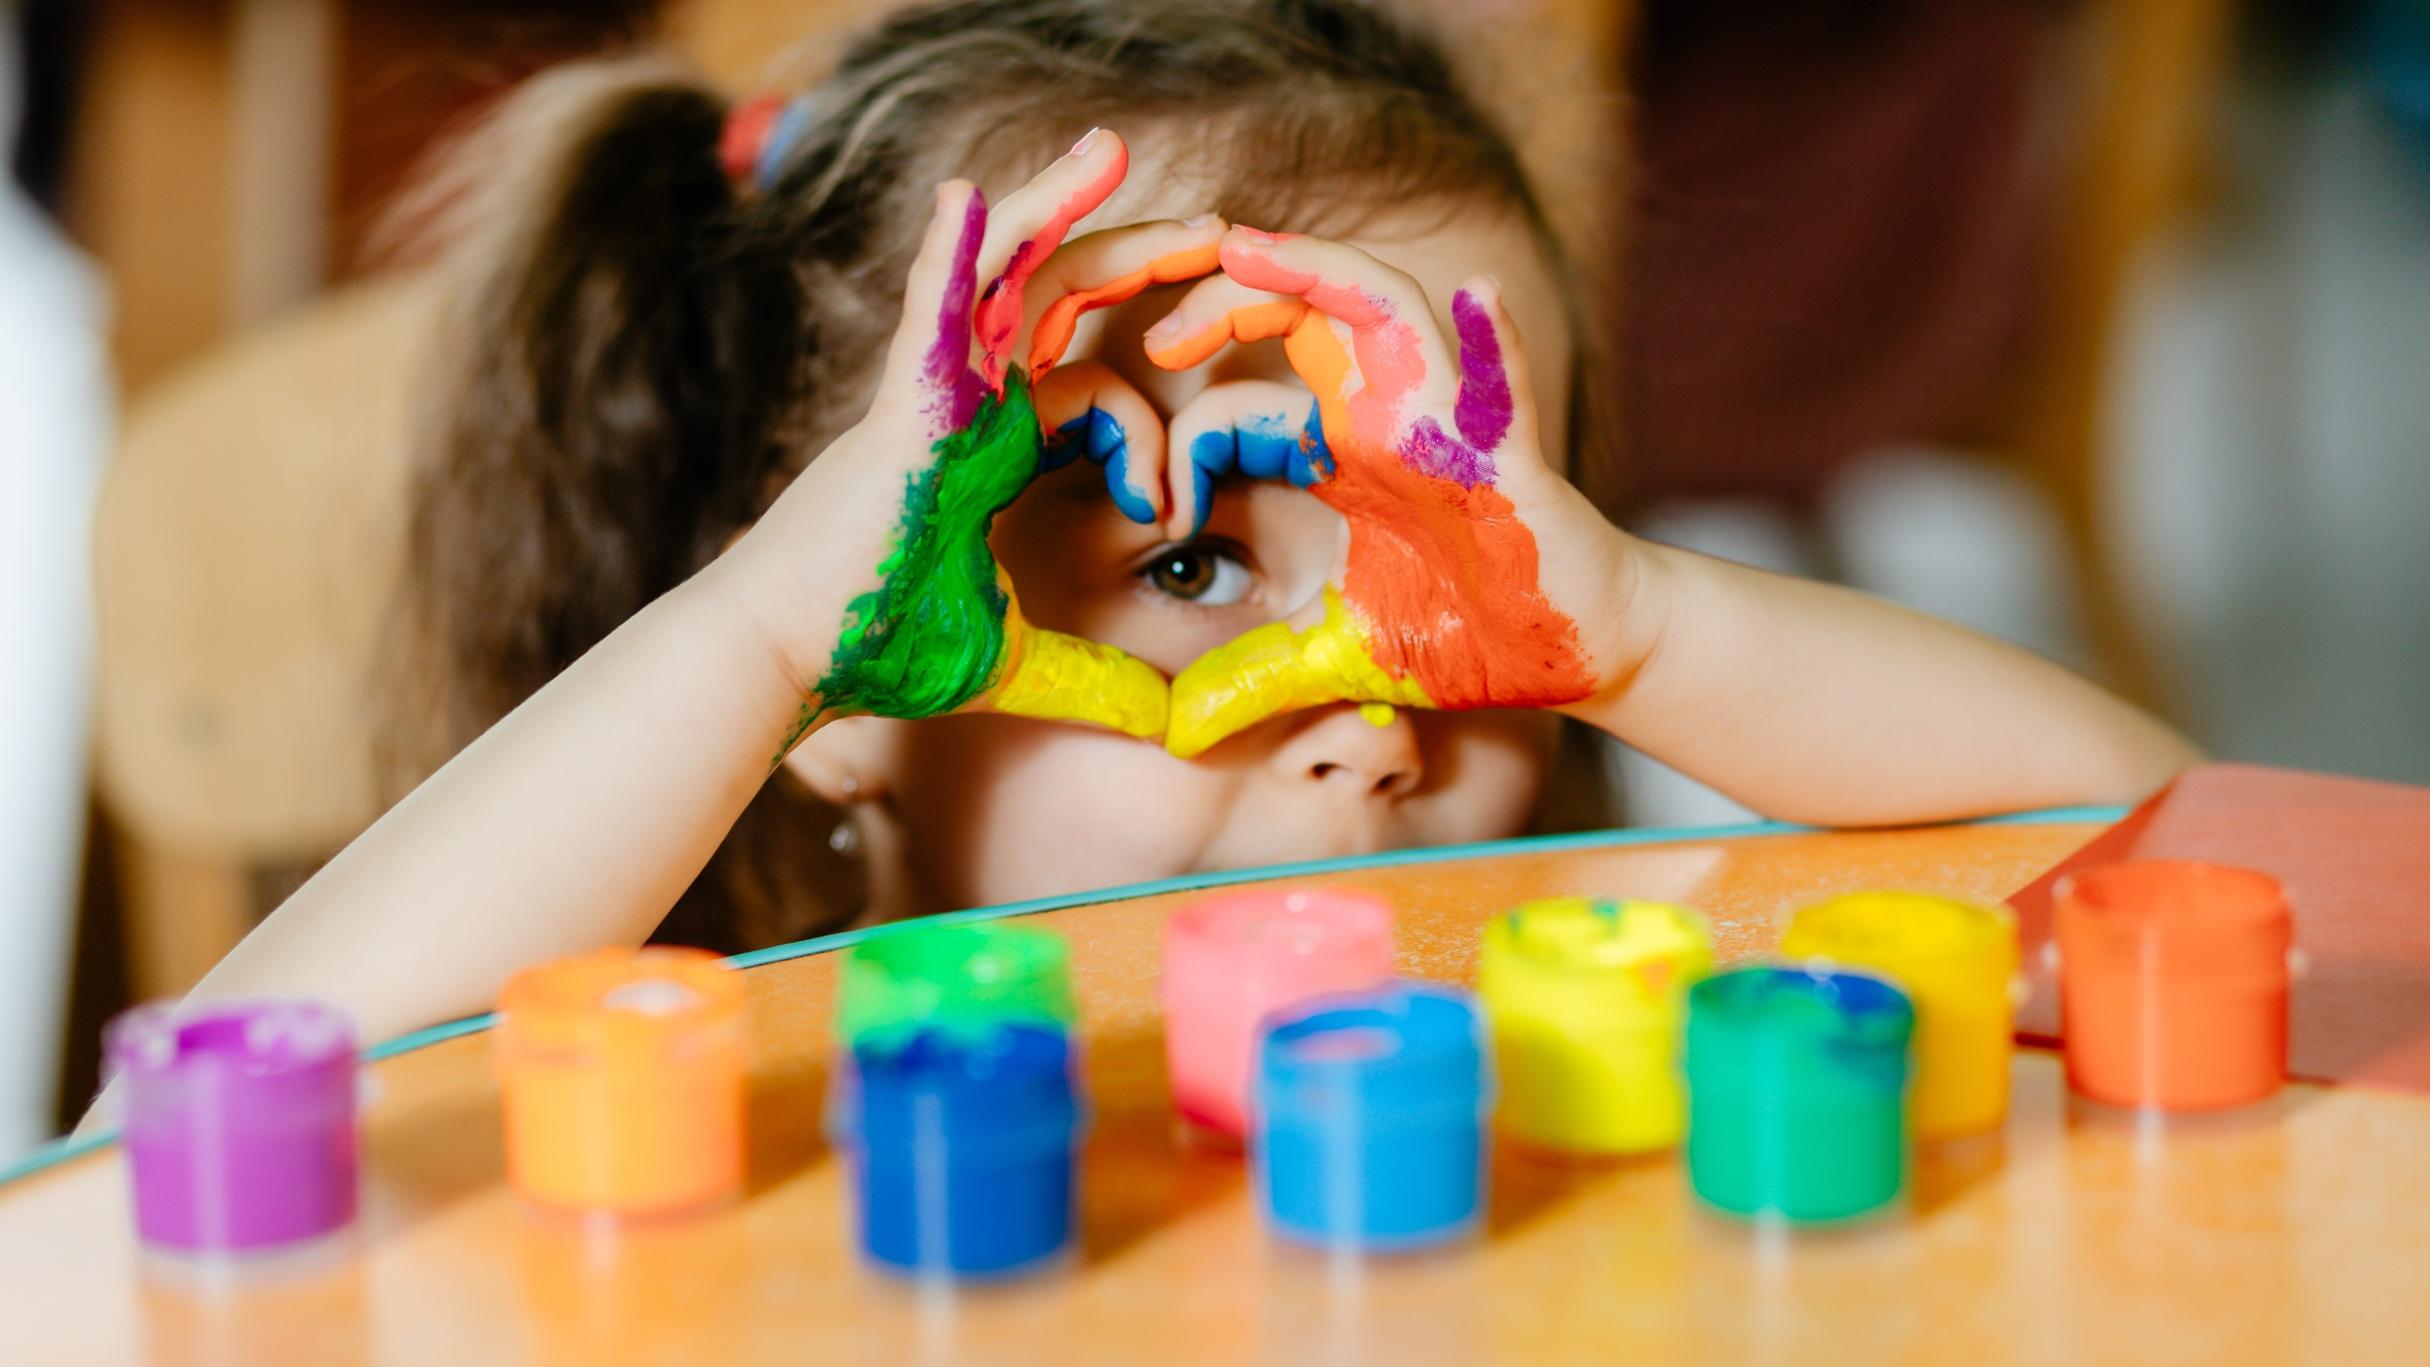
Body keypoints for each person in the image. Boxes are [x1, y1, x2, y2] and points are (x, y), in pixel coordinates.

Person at [183, 0, 2197, 1049]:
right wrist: (753, 634)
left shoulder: (1568, 989)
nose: (1365, 713)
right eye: (1189, 564)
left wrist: (1645, 621)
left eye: (1469, 565)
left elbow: (2165, 862)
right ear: (851, 688)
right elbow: (192, 1135)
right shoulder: (750, 1088)